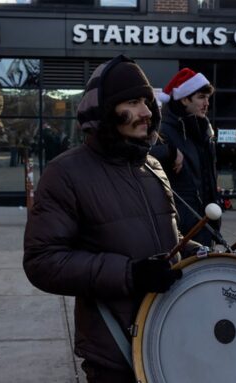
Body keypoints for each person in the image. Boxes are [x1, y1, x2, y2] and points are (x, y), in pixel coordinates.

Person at [24, 55, 201, 382]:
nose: (147, 112)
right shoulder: (65, 173)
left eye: (147, 102)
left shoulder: (153, 167)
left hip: (166, 338)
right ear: (104, 111)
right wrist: (130, 274)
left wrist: (201, 255)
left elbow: (168, 242)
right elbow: (42, 262)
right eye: (133, 102)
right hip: (114, 349)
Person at [150, 68, 219, 246]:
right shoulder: (162, 131)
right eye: (201, 97)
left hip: (205, 224)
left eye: (208, 98)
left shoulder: (203, 132)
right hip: (179, 230)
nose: (207, 104)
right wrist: (169, 151)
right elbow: (137, 157)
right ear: (184, 98)